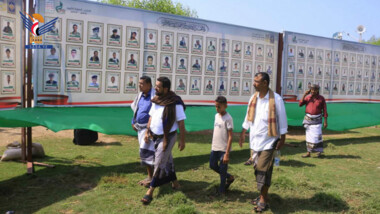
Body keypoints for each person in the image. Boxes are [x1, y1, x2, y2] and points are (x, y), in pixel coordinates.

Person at [239, 72, 288, 212]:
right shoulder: (253, 98)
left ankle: (262, 199)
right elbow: (248, 117)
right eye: (254, 81)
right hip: (254, 141)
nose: (254, 84)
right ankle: (263, 196)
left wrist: (282, 138)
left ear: (265, 83)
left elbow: (282, 119)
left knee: (263, 169)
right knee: (257, 169)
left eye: (256, 81)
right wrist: (243, 132)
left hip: (269, 140)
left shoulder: (276, 99)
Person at [140, 77, 186, 205]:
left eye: (158, 87)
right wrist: (147, 131)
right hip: (154, 136)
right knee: (168, 161)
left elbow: (181, 124)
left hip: (168, 138)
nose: (155, 88)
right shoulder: (156, 100)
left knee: (159, 163)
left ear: (165, 89)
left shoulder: (175, 103)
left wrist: (182, 141)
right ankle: (175, 183)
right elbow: (151, 116)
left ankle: (151, 191)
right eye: (155, 86)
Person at [131, 76, 156, 188]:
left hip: (150, 130)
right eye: (139, 83)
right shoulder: (140, 96)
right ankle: (152, 177)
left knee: (147, 153)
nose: (139, 85)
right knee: (146, 153)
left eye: (142, 84)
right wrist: (133, 121)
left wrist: (149, 129)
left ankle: (152, 178)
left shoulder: (154, 97)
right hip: (140, 129)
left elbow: (155, 113)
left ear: (149, 85)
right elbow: (136, 109)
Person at [209, 96, 235, 195]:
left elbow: (230, 137)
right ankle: (230, 177)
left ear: (225, 106)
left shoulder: (228, 118)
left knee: (223, 170)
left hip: (224, 150)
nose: (217, 108)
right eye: (216, 106)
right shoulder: (216, 116)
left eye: (219, 106)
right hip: (215, 147)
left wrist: (227, 153)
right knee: (212, 165)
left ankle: (222, 191)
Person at [299, 84, 328, 158]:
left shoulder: (321, 99)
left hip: (317, 120)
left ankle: (319, 151)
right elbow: (300, 104)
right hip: (308, 120)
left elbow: (324, 110)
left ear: (318, 90)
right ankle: (308, 152)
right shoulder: (308, 98)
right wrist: (305, 94)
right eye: (312, 89)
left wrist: (325, 121)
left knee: (317, 136)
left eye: (315, 89)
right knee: (309, 136)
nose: (313, 91)